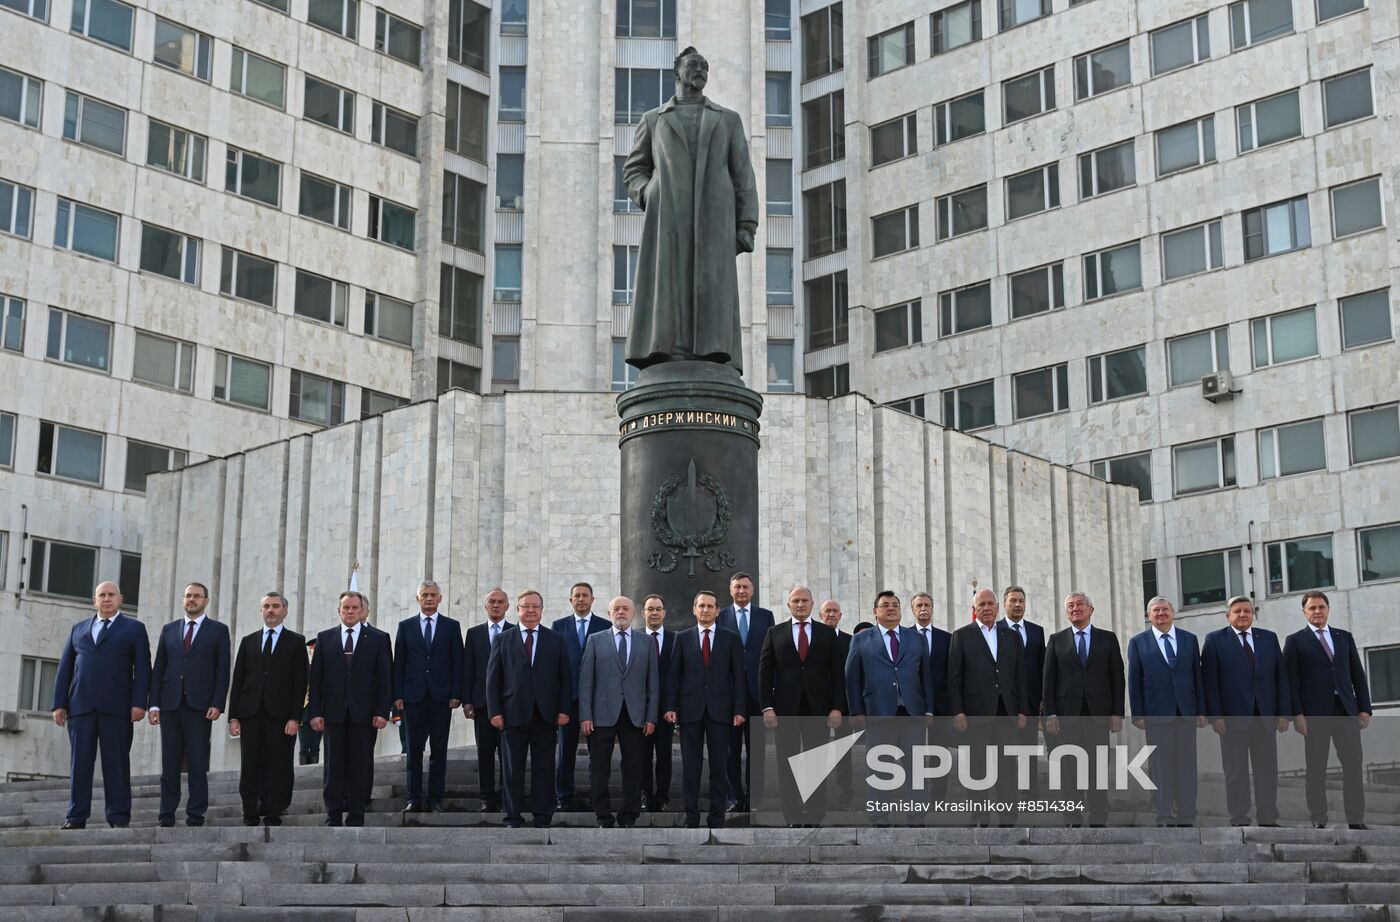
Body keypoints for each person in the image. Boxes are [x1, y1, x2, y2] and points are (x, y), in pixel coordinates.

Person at [621, 45, 758, 372]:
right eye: (693, 65)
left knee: (711, 288)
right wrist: (649, 192)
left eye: (704, 67)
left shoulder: (727, 120)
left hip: (715, 221)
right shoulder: (653, 120)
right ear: (677, 72)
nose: (700, 71)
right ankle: (666, 351)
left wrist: (746, 225)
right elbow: (633, 170)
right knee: (670, 284)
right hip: (668, 218)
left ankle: (713, 351)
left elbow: (743, 176)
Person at [52, 581, 151, 829]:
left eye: (111, 595)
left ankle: (118, 817)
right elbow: (65, 668)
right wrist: (58, 704)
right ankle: (75, 817)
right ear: (94, 600)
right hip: (80, 707)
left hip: (117, 709)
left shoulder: (134, 629)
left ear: (120, 599)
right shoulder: (78, 629)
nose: (106, 599)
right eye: (101, 595)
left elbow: (143, 670)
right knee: (79, 765)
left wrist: (139, 703)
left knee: (116, 764)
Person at [1283, 591, 1372, 830]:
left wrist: (1364, 708)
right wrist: (1297, 714)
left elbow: (1358, 675)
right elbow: (1290, 681)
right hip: (1314, 715)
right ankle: (1319, 818)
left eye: (1321, 607)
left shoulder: (1344, 637)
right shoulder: (1295, 641)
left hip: (1346, 710)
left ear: (1328, 609)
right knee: (1316, 767)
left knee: (1353, 765)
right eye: (1312, 608)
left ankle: (1356, 818)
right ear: (1304, 612)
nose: (1317, 612)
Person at [758, 586, 846, 825]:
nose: (800, 604)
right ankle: (792, 814)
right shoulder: (774, 633)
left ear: (812, 604)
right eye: (795, 600)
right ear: (788, 605)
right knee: (787, 763)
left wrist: (837, 707)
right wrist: (767, 707)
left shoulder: (826, 634)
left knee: (816, 764)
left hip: (818, 710)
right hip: (784, 710)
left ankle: (815, 814)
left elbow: (837, 674)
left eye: (804, 600)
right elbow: (765, 673)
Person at [1201, 595, 1290, 827]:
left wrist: (1283, 713)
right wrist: (1215, 716)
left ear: (1253, 614)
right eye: (1237, 611)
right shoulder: (1214, 640)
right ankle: (1239, 817)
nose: (1242, 615)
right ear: (1228, 615)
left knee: (1267, 770)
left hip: (1265, 717)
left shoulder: (1268, 639)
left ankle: (1268, 816)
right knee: (1236, 771)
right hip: (1231, 720)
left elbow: (1281, 678)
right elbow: (1209, 682)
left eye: (1247, 611)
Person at [148, 582, 231, 828]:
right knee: (169, 764)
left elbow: (223, 670)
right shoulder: (169, 629)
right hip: (170, 705)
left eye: (196, 596)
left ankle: (195, 814)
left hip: (199, 706)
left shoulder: (218, 630)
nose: (191, 600)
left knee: (197, 762)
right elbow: (158, 669)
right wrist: (153, 705)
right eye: (187, 596)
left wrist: (217, 702)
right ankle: (166, 815)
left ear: (206, 601)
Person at [487, 589, 572, 829]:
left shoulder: (555, 639)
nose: (531, 611)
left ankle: (542, 816)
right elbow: (493, 679)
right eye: (526, 606)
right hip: (512, 714)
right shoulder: (503, 639)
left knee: (544, 770)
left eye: (535, 607)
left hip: (546, 715)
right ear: (518, 610)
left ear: (542, 611)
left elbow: (565, 678)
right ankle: (512, 817)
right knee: (512, 770)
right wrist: (495, 711)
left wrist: (564, 710)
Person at [307, 591, 392, 826]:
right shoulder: (325, 638)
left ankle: (356, 815)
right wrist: (315, 712)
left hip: (364, 715)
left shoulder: (378, 638)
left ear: (363, 611)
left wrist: (382, 711)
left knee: (360, 766)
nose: (351, 612)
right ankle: (332, 815)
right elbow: (316, 680)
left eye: (355, 608)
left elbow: (384, 679)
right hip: (333, 714)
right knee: (333, 767)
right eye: (346, 608)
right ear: (339, 611)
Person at [664, 590, 746, 829]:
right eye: (701, 606)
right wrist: (670, 706)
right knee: (691, 766)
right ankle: (691, 817)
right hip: (690, 711)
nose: (706, 610)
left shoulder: (730, 638)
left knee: (719, 766)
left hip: (721, 712)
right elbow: (673, 676)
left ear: (718, 611)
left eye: (710, 606)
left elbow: (738, 677)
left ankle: (717, 817)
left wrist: (739, 709)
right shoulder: (683, 637)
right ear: (694, 609)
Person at [1043, 592, 1124, 827]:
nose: (1075, 608)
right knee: (1070, 770)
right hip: (1067, 717)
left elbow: (1117, 677)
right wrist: (1050, 714)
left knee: (1097, 770)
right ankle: (1072, 818)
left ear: (1091, 609)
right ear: (1066, 612)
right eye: (1070, 606)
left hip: (1098, 717)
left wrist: (1117, 713)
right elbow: (1048, 681)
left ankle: (1099, 817)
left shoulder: (1107, 639)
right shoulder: (1056, 640)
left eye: (1080, 605)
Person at [948, 588, 1027, 826]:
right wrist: (958, 711)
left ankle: (1008, 817)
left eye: (990, 604)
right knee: (977, 768)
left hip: (1007, 711)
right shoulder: (961, 636)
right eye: (981, 604)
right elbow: (954, 678)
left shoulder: (1011, 636)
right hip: (974, 713)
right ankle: (980, 816)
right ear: (974, 609)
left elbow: (1020, 676)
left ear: (997, 607)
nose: (986, 608)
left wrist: (1023, 709)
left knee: (1007, 767)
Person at [228, 591, 307, 826]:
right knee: (250, 764)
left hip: (281, 716)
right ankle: (250, 811)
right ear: (261, 610)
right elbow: (238, 679)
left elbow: (300, 682)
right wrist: (233, 716)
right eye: (266, 606)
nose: (270, 610)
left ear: (285, 611)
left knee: (279, 764)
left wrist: (296, 717)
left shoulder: (296, 642)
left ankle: (275, 810)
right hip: (250, 713)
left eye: (275, 606)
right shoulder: (248, 641)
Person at [579, 596, 659, 828]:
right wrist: (585, 715)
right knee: (600, 767)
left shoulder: (646, 642)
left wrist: (651, 716)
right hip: (601, 714)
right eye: (616, 609)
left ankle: (629, 815)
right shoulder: (595, 640)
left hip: (635, 715)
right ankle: (603, 815)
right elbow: (586, 682)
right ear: (608, 612)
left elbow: (653, 683)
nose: (621, 612)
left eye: (625, 608)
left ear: (634, 613)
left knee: (634, 766)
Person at [1127, 597, 1205, 827]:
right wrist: (1138, 714)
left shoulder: (1189, 640)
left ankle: (1187, 815)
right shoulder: (1138, 642)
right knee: (1160, 767)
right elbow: (1134, 680)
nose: (1161, 613)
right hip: (1156, 714)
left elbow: (1197, 677)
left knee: (1187, 765)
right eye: (1155, 610)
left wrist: (1201, 710)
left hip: (1186, 712)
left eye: (1165, 609)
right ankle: (1164, 814)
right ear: (1148, 615)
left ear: (1172, 612)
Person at [392, 580, 464, 814]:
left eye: (433, 595)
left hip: (442, 698)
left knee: (439, 750)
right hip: (413, 698)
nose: (429, 598)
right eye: (425, 595)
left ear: (440, 599)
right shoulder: (405, 626)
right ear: (418, 599)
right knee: (413, 750)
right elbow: (399, 663)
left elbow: (457, 662)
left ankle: (435, 798)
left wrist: (456, 693)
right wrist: (398, 695)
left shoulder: (451, 626)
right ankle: (414, 797)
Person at [717, 571, 773, 812]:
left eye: (745, 587)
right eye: (737, 587)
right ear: (730, 590)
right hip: (728, 694)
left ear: (753, 590)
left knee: (756, 751)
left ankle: (754, 799)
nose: (741, 591)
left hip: (757, 692)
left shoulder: (765, 616)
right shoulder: (721, 616)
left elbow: (771, 655)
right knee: (730, 750)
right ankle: (733, 797)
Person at [551, 582, 609, 811]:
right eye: (577, 596)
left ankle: (597, 797)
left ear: (593, 600)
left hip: (597, 702)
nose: (581, 599)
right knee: (565, 752)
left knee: (598, 755)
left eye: (585, 595)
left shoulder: (604, 626)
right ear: (570, 600)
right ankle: (563, 797)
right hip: (569, 700)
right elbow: (555, 664)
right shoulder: (559, 626)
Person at [463, 588, 511, 812]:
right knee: (485, 753)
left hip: (510, 704)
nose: (496, 605)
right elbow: (468, 668)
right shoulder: (474, 633)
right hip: (482, 704)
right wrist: (467, 700)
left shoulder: (515, 631)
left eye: (500, 602)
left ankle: (506, 796)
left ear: (508, 606)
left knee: (508, 753)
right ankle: (487, 797)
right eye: (492, 601)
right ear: (485, 605)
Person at [999, 586, 1045, 795]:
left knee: (1029, 751)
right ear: (1004, 604)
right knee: (1003, 753)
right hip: (1004, 704)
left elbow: (1041, 667)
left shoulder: (1037, 631)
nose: (1017, 605)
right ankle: (1005, 795)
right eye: (1013, 601)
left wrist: (1043, 701)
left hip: (1031, 703)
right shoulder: (994, 630)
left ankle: (1030, 794)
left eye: (1021, 601)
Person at [640, 594, 675, 812]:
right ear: (643, 613)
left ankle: (662, 798)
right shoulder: (634, 638)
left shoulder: (675, 639)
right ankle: (645, 796)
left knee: (664, 756)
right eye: (650, 609)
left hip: (665, 710)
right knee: (642, 755)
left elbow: (677, 675)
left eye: (658, 609)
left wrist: (672, 706)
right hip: (640, 710)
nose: (654, 613)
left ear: (664, 613)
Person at [819, 599, 855, 808]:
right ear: (820, 615)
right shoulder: (812, 638)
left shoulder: (850, 641)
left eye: (835, 611)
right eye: (827, 611)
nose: (831, 615)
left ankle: (845, 794)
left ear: (841, 616)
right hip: (817, 706)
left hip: (844, 705)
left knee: (844, 753)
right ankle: (818, 796)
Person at [298, 638, 321, 765]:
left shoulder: (324, 669)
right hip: (304, 713)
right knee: (303, 746)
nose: (313, 652)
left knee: (315, 747)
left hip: (318, 712)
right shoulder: (304, 668)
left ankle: (313, 770)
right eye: (311, 650)